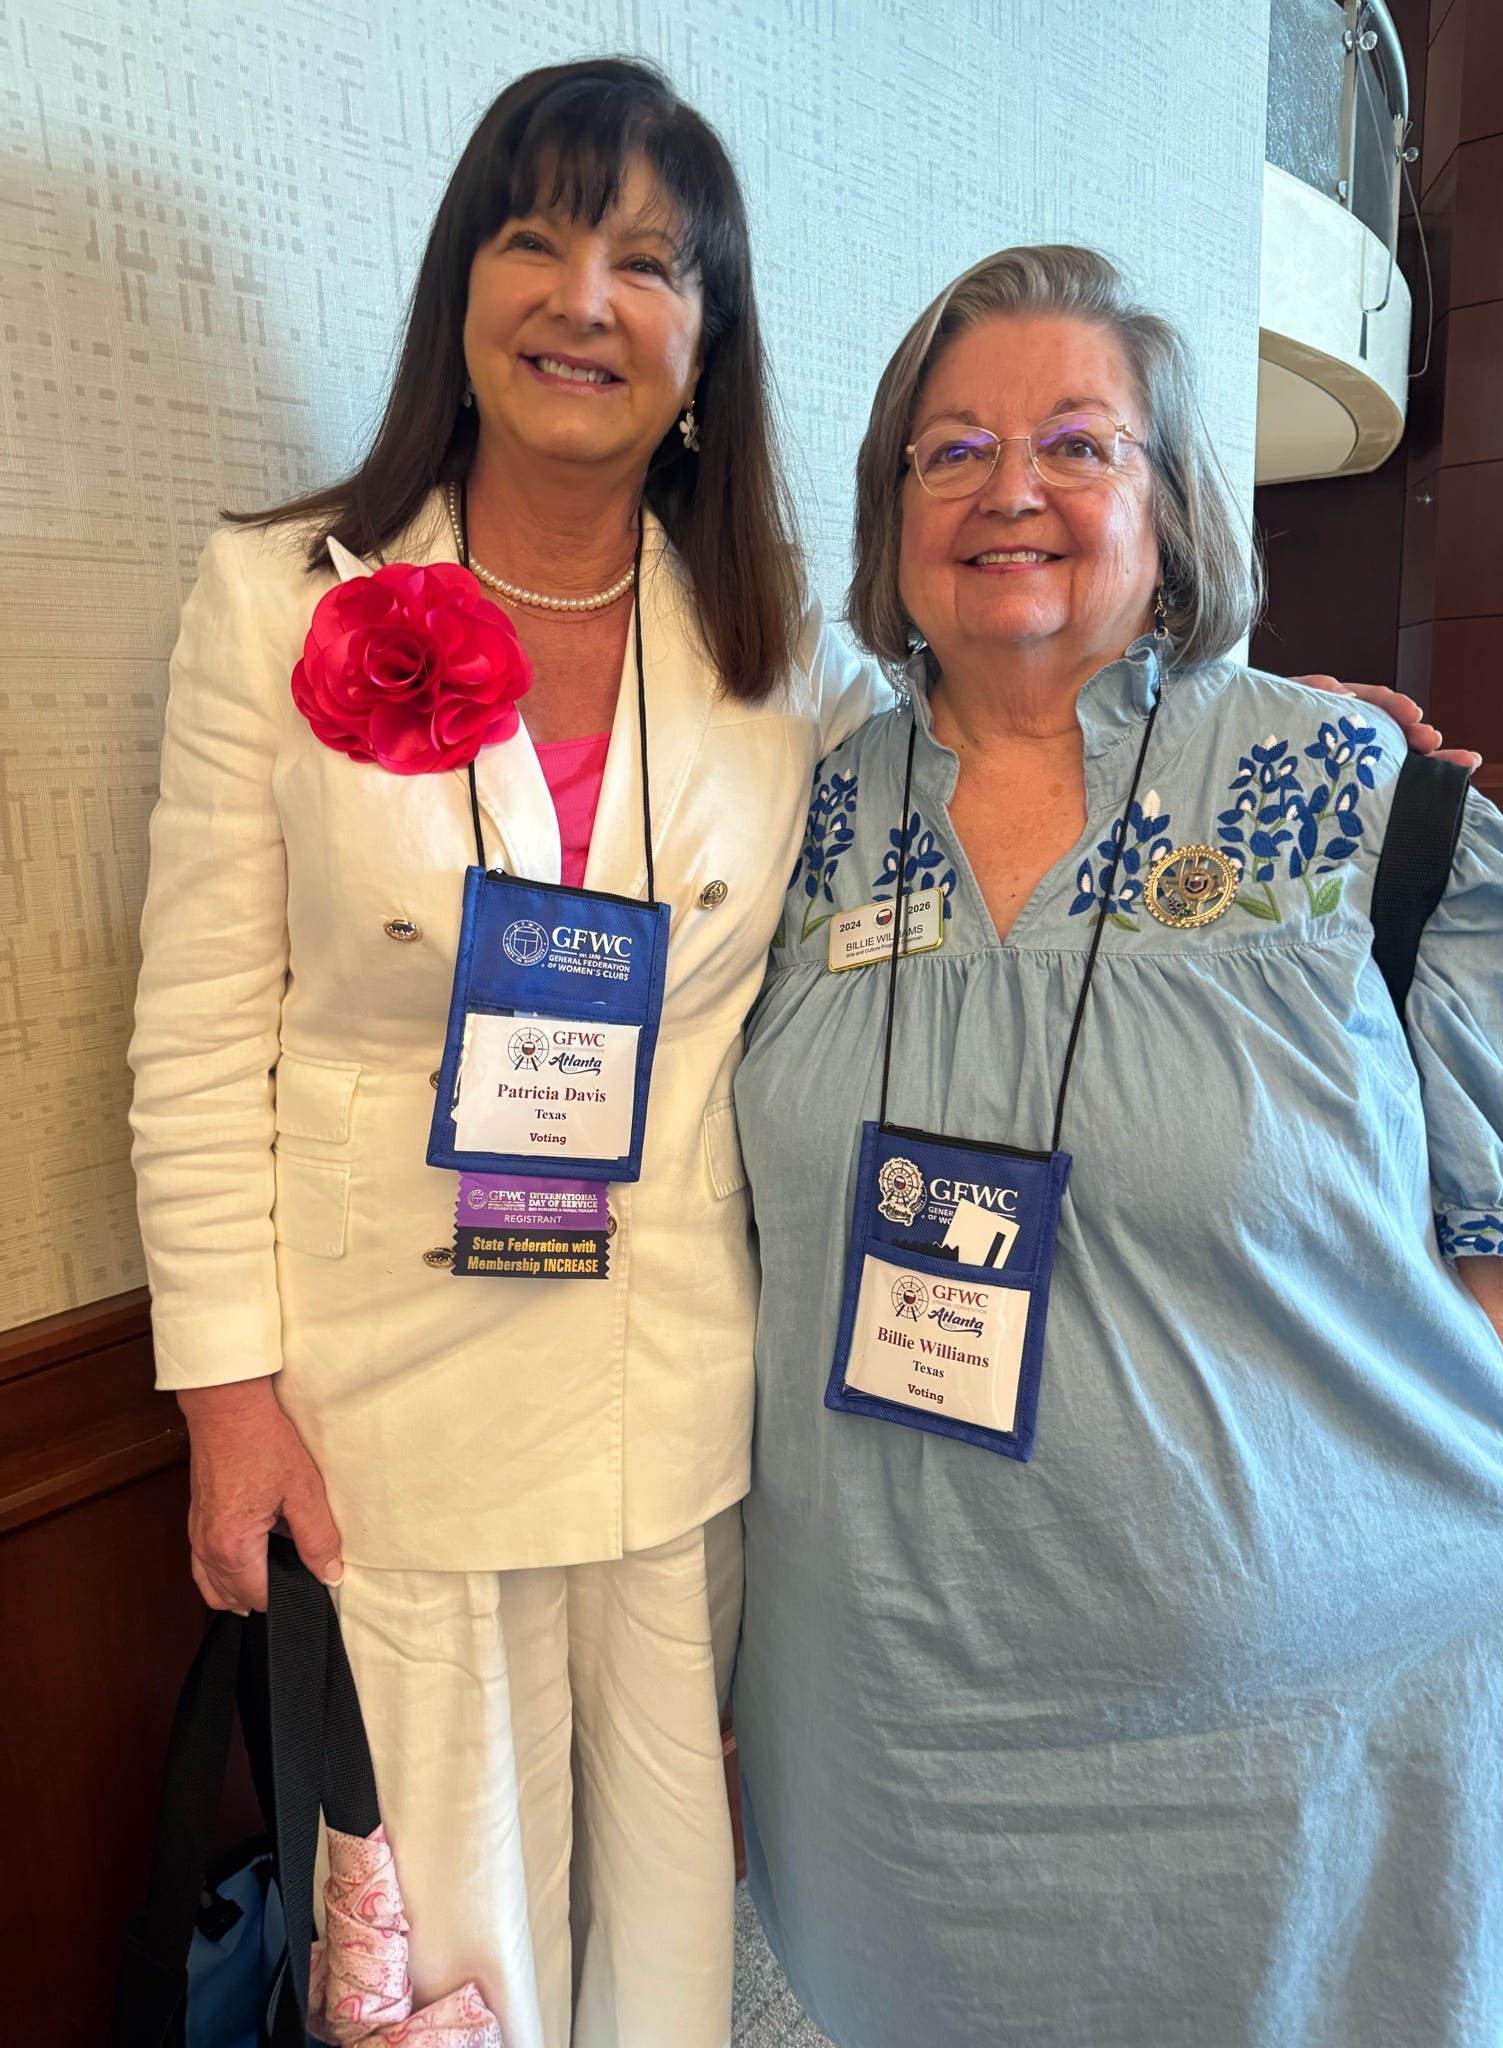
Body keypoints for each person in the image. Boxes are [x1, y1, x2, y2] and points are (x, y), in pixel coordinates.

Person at [126, 59, 885, 2048]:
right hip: (382, 1414)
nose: (583, 298)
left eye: (648, 262)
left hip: (667, 1399)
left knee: (664, 1942)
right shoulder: (280, 598)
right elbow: (199, 1026)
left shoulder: (780, 649)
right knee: (446, 1961)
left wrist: (1231, 726)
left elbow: (989, 781)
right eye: (534, 238)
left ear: (707, 343)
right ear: (460, 290)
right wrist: (226, 1401)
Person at [731, 245, 1503, 2048]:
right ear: (892, 514)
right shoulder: (793, 822)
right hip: (902, 1743)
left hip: (1302, 1737)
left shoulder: (1343, 791)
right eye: (953, 449)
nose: (1010, 489)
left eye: (1078, 444)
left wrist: (1441, 1397)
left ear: (1167, 512)